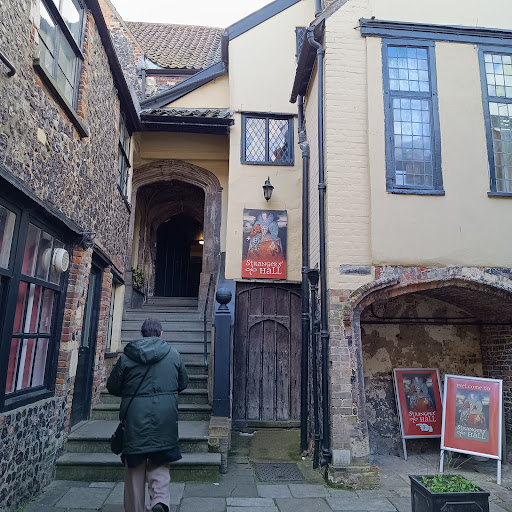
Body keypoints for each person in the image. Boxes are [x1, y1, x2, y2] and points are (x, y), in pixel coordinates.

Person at [107, 318, 188, 512]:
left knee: (134, 468)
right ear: (161, 333)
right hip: (165, 418)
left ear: (141, 334)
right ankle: (160, 501)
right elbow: (183, 383)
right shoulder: (173, 354)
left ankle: (136, 508)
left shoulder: (127, 357)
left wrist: (129, 391)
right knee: (160, 461)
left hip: (135, 418)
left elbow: (113, 387)